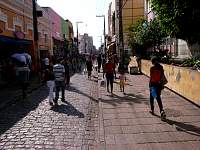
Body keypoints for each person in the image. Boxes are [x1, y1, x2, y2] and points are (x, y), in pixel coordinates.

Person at [149, 56, 166, 121]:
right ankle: (161, 111)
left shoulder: (152, 68)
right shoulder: (161, 68)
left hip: (153, 85)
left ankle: (152, 110)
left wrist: (150, 86)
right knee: (158, 98)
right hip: (159, 85)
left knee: (152, 97)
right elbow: (162, 77)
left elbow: (151, 77)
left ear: (152, 62)